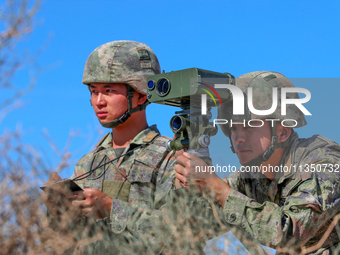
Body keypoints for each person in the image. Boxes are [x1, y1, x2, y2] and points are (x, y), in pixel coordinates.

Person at [175, 71, 340, 254]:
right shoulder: (250, 175)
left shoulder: (321, 161)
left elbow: (289, 233)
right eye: (232, 128)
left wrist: (218, 190)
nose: (237, 138)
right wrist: (187, 175)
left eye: (248, 126)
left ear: (282, 132)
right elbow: (199, 224)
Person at [42, 40, 177, 254]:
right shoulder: (88, 163)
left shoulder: (170, 157)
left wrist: (111, 208)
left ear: (141, 94)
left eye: (109, 90)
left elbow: (180, 235)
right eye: (93, 91)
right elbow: (66, 244)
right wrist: (57, 212)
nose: (99, 101)